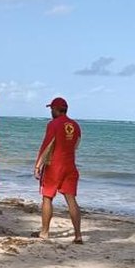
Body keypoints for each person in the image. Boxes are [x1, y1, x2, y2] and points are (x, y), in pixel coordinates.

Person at [33, 96, 83, 243]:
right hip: (70, 165)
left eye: (51, 109)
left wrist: (38, 165)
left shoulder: (53, 124)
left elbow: (47, 145)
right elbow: (76, 145)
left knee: (47, 197)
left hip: (54, 166)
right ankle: (78, 235)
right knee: (71, 200)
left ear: (55, 109)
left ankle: (45, 232)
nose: (51, 112)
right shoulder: (76, 125)